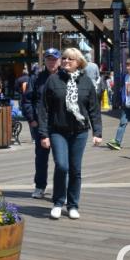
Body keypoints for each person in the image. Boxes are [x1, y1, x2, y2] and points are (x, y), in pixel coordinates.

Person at [37, 47, 102, 220]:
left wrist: (97, 132)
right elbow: (43, 109)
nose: (65, 61)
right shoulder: (53, 80)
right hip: (58, 131)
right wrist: (43, 134)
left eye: (70, 59)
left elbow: (94, 108)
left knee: (75, 169)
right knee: (62, 166)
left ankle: (73, 205)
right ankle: (58, 202)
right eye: (64, 58)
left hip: (80, 132)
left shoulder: (87, 82)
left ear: (78, 63)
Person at [21, 51, 60, 199]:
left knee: (60, 159)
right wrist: (32, 119)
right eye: (49, 60)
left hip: (59, 124)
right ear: (45, 61)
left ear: (59, 61)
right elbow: (27, 100)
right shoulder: (35, 78)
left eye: (54, 60)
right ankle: (39, 186)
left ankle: (60, 188)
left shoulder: (64, 76)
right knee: (41, 158)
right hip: (40, 124)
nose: (52, 62)